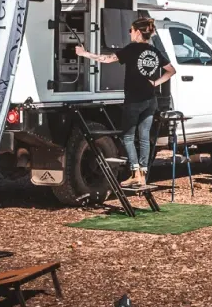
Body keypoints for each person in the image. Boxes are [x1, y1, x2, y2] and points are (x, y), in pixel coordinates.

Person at [74, 16, 176, 188]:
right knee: (144, 138)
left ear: (137, 32)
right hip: (150, 100)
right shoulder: (154, 51)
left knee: (128, 136)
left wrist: (85, 54)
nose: (129, 33)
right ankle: (142, 175)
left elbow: (107, 59)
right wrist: (156, 83)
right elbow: (171, 71)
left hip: (134, 100)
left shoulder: (132, 49)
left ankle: (135, 172)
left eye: (130, 30)